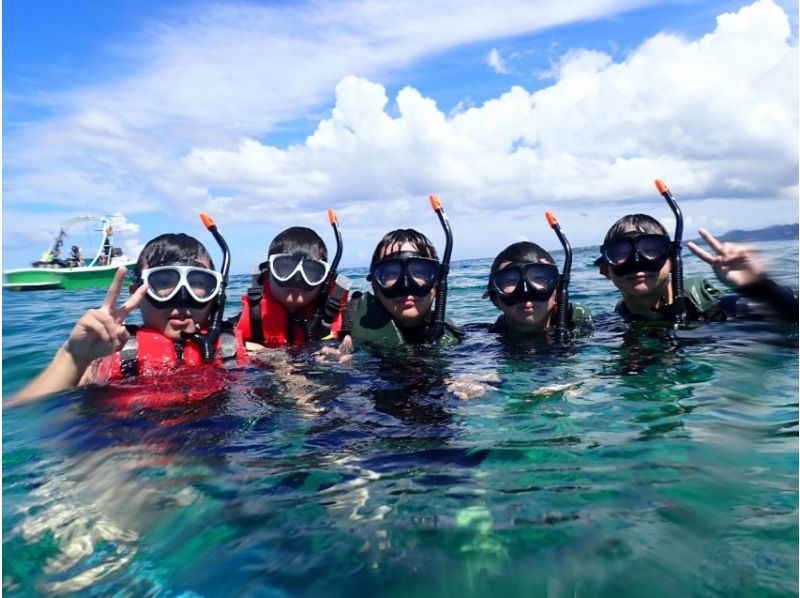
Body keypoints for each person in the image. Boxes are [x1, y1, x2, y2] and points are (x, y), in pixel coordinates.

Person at [8, 233, 246, 405]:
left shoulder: (236, 349)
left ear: (216, 292)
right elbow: (22, 410)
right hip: (128, 451)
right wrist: (74, 356)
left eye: (196, 283)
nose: (181, 299)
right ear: (136, 293)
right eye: (163, 283)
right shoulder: (106, 357)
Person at [596, 214, 798, 323]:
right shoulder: (611, 326)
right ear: (606, 269)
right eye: (621, 253)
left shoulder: (715, 311)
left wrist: (757, 286)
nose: (637, 261)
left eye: (651, 250)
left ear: (673, 261)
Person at [333, 229, 463, 352]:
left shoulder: (463, 338)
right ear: (374, 285)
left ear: (437, 283)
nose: (406, 285)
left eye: (419, 272)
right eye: (390, 273)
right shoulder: (345, 339)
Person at [234, 226, 349, 349]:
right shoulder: (253, 315)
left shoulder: (346, 320)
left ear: (324, 279)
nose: (297, 279)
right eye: (285, 268)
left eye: (310, 271)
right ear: (268, 273)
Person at [485, 241, 592, 338]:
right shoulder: (480, 340)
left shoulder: (588, 328)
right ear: (494, 298)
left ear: (557, 291)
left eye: (539, 278)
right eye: (510, 281)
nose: (526, 291)